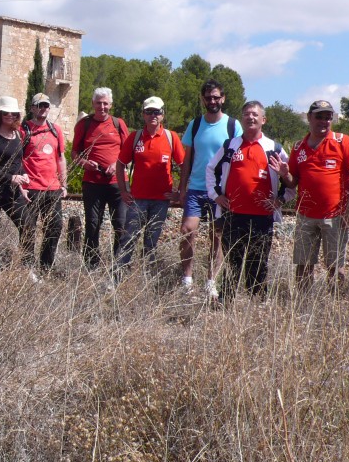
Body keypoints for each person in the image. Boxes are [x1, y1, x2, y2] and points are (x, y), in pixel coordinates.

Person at [206, 101, 292, 303]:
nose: (250, 117)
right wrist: (215, 195)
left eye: (254, 114)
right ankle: (226, 301)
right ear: (241, 119)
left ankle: (259, 302)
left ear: (263, 120)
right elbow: (210, 169)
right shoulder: (230, 146)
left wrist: (280, 200)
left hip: (262, 217)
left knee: (259, 261)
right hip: (233, 214)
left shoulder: (274, 148)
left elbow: (291, 181)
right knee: (232, 261)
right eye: (246, 114)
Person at [288, 100, 349, 295]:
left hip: (335, 215)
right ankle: (304, 305)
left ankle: (335, 306)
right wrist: (282, 173)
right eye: (319, 117)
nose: (324, 121)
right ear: (309, 118)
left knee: (335, 265)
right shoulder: (298, 147)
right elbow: (292, 181)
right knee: (303, 265)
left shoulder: (342, 141)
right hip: (305, 215)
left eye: (328, 117)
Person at [176, 79, 239, 298]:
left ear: (223, 98)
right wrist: (182, 188)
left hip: (220, 191)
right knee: (187, 231)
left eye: (216, 97)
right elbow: (187, 159)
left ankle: (211, 281)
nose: (212, 101)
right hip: (196, 188)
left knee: (217, 236)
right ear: (203, 99)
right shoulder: (195, 125)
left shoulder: (233, 125)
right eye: (208, 97)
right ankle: (187, 278)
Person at [114, 96, 185, 284]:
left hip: (161, 200)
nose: (153, 115)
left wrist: (180, 191)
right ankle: (118, 277)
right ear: (143, 115)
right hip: (137, 199)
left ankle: (146, 279)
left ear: (162, 114)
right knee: (128, 238)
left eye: (157, 112)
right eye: (149, 112)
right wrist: (123, 190)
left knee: (151, 241)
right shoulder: (135, 137)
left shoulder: (171, 138)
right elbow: (120, 164)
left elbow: (184, 165)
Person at [72, 87, 128, 271]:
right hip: (92, 183)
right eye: (98, 103)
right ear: (93, 104)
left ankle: (119, 265)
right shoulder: (84, 125)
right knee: (93, 224)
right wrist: (84, 163)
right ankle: (91, 265)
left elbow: (128, 152)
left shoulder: (118, 124)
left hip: (117, 183)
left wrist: (117, 164)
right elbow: (74, 153)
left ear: (110, 105)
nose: (102, 107)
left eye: (105, 103)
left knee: (120, 224)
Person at [20, 93, 68, 278]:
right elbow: (18, 159)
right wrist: (21, 186)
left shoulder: (55, 130)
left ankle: (46, 266)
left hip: (52, 189)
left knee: (55, 227)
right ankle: (27, 267)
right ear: (32, 108)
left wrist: (64, 184)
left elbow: (61, 158)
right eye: (39, 105)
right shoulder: (24, 130)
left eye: (46, 105)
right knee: (28, 228)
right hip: (31, 188)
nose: (43, 108)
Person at [0, 95, 30, 268]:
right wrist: (10, 178)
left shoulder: (18, 134)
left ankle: (26, 268)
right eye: (6, 113)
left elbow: (18, 162)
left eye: (13, 114)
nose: (10, 116)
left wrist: (24, 177)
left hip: (13, 192)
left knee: (28, 227)